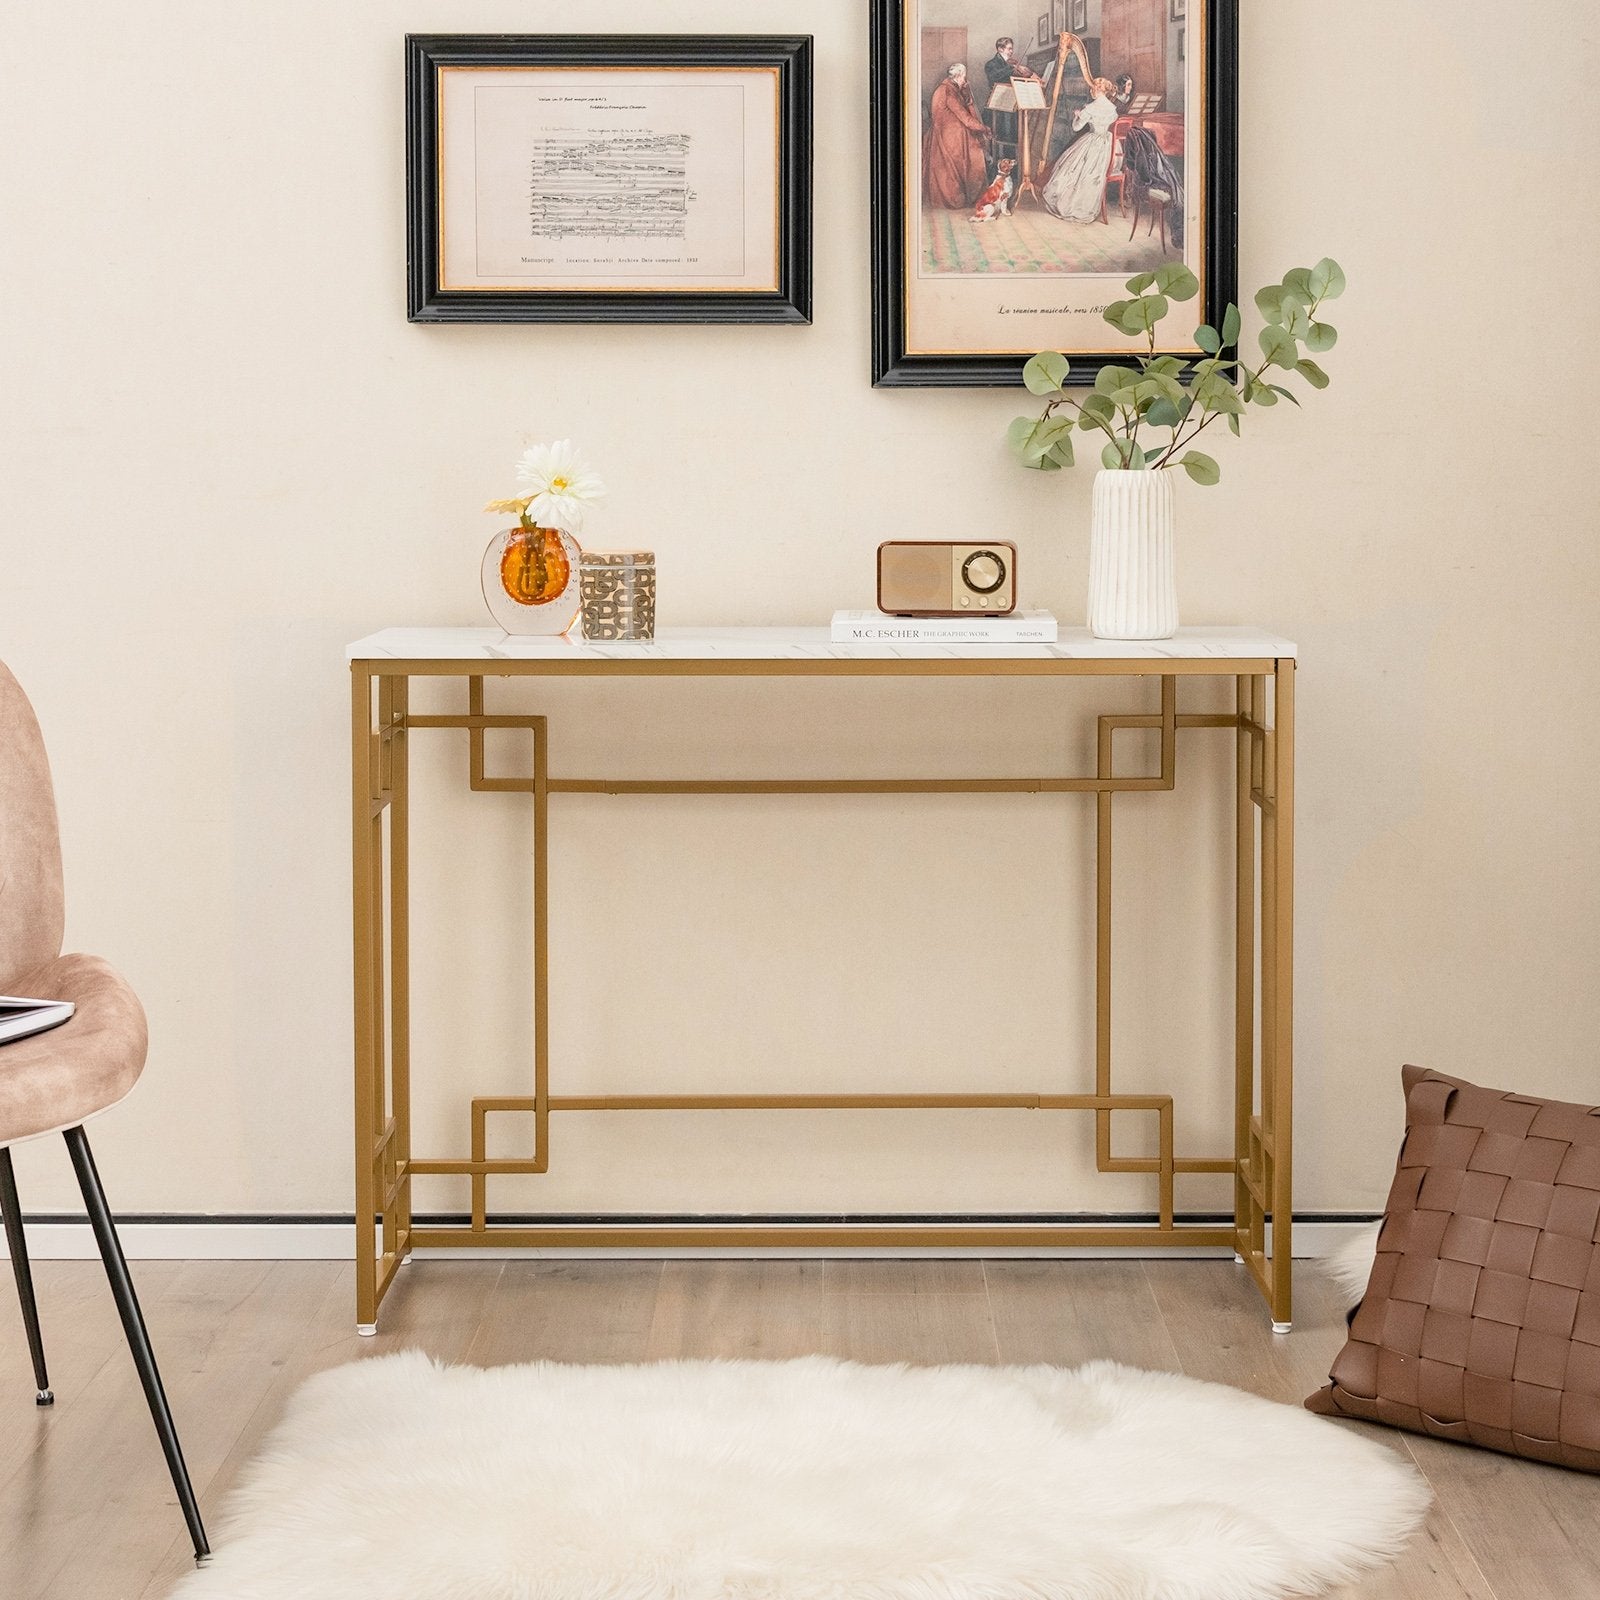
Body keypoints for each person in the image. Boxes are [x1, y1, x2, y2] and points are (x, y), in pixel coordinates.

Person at [1042, 76, 1121, 223]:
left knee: (1069, 169)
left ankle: (1074, 205)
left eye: (1091, 89)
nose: (1090, 91)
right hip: (1109, 147)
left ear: (1095, 90)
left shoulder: (1090, 108)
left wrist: (1076, 116)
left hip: (1093, 144)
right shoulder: (1112, 108)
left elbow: (1076, 127)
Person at [923, 62, 989, 209]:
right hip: (949, 137)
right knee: (976, 151)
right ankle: (970, 196)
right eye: (964, 77)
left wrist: (966, 94)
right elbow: (965, 117)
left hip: (942, 134)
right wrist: (983, 128)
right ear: (958, 76)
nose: (965, 81)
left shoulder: (947, 88)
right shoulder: (948, 91)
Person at [982, 37, 1042, 162]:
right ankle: (999, 166)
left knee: (1013, 135)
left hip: (1012, 104)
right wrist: (1012, 69)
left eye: (1011, 49)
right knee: (1000, 135)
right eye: (1009, 49)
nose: (1011, 52)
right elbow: (995, 76)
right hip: (998, 105)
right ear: (1000, 49)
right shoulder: (991, 64)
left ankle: (1011, 165)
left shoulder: (1011, 64)